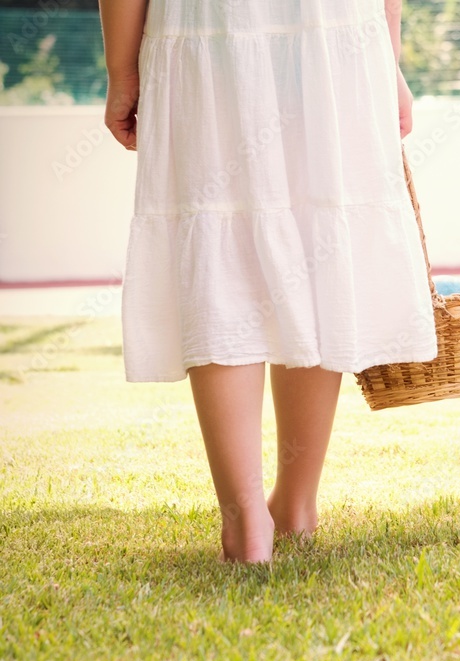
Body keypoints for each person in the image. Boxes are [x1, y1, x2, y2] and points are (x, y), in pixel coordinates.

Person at [99, 0, 438, 563]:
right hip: (335, 28)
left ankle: (246, 522)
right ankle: (296, 505)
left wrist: (122, 71)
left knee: (221, 246)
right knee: (315, 241)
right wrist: (387, 53)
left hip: (212, 24)